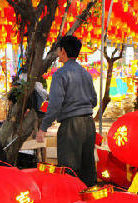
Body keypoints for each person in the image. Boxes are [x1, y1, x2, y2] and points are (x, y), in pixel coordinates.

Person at [36, 35, 98, 187]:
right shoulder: (86, 74)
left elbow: (55, 104)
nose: (58, 53)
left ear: (62, 51)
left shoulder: (60, 74)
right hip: (88, 125)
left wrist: (43, 128)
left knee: (69, 169)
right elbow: (94, 100)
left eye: (58, 49)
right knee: (88, 168)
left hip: (71, 126)